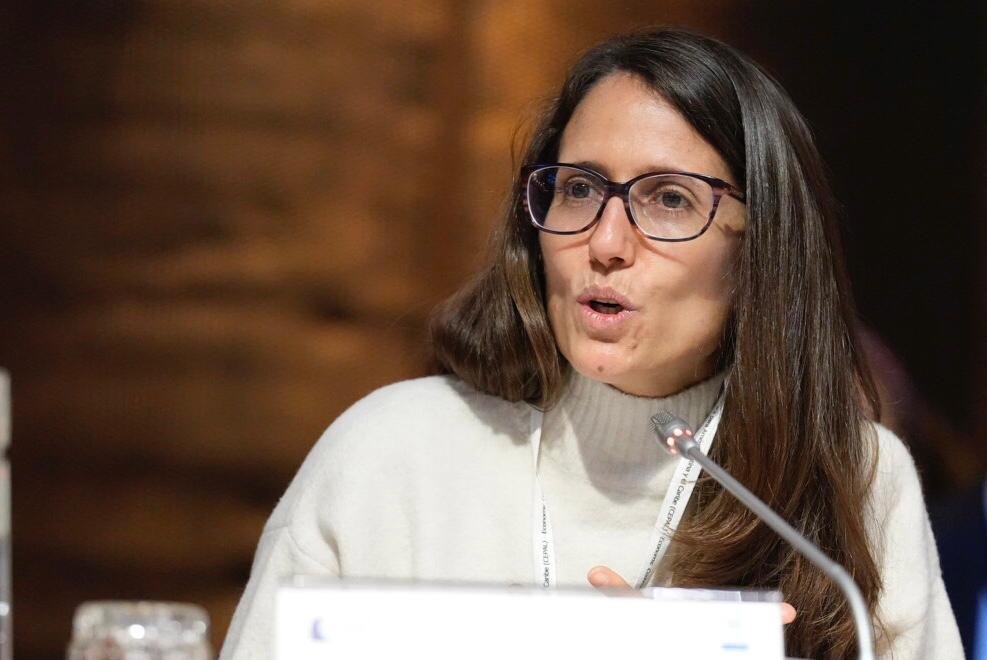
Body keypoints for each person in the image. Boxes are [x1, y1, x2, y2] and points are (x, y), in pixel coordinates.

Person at [220, 28, 962, 659]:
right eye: (578, 188)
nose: (606, 243)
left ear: (758, 246)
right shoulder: (391, 454)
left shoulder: (855, 479)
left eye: (668, 199)